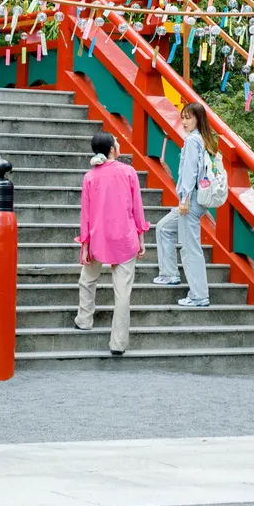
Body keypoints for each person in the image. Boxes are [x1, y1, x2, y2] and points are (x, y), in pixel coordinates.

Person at [76, 131, 150, 356]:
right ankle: (118, 343)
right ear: (111, 149)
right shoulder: (128, 172)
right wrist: (141, 237)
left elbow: (85, 214)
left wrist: (85, 244)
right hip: (124, 239)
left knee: (87, 279)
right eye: (116, 142)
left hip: (99, 239)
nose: (118, 144)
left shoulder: (90, 177)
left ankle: (84, 319)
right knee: (123, 292)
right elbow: (137, 207)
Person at [154, 101, 215, 308]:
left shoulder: (192, 141)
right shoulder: (202, 140)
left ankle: (199, 295)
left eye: (189, 117)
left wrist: (184, 199)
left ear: (198, 119)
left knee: (190, 249)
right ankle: (169, 273)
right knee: (163, 228)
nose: (184, 121)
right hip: (196, 199)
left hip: (190, 200)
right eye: (183, 117)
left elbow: (189, 173)